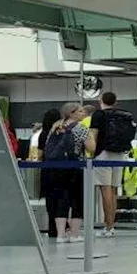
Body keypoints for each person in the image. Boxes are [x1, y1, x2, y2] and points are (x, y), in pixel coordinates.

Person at [43, 102, 96, 243]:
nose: (83, 113)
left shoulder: (56, 126)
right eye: (80, 111)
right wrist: (91, 135)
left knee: (61, 199)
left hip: (57, 168)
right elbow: (91, 148)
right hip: (75, 168)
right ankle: (74, 234)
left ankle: (60, 235)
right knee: (77, 200)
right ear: (71, 113)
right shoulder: (81, 128)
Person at [89, 92, 135, 238]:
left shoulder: (98, 115)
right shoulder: (125, 115)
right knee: (114, 189)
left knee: (105, 189)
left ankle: (108, 226)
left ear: (100, 100)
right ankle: (111, 225)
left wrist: (91, 154)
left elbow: (93, 136)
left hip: (103, 153)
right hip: (120, 153)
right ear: (116, 102)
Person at [33, 108, 63, 238]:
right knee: (61, 200)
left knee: (49, 201)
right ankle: (61, 228)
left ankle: (52, 228)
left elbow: (39, 154)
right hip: (62, 170)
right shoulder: (61, 132)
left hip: (47, 170)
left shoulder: (42, 134)